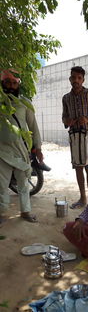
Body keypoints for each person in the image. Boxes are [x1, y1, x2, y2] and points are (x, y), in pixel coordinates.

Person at [0, 69, 43, 224]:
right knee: (1, 185)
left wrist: (38, 148)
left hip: (21, 151)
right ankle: (2, 213)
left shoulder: (25, 103)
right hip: (2, 151)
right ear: (2, 83)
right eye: (7, 82)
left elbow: (33, 126)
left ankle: (25, 212)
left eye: (14, 83)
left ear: (18, 84)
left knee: (23, 183)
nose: (11, 86)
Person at [62, 66, 88, 209]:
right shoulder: (66, 98)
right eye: (73, 77)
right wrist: (66, 121)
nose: (76, 80)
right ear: (70, 79)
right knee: (78, 167)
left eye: (79, 78)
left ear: (83, 79)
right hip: (74, 137)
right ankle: (83, 198)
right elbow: (64, 116)